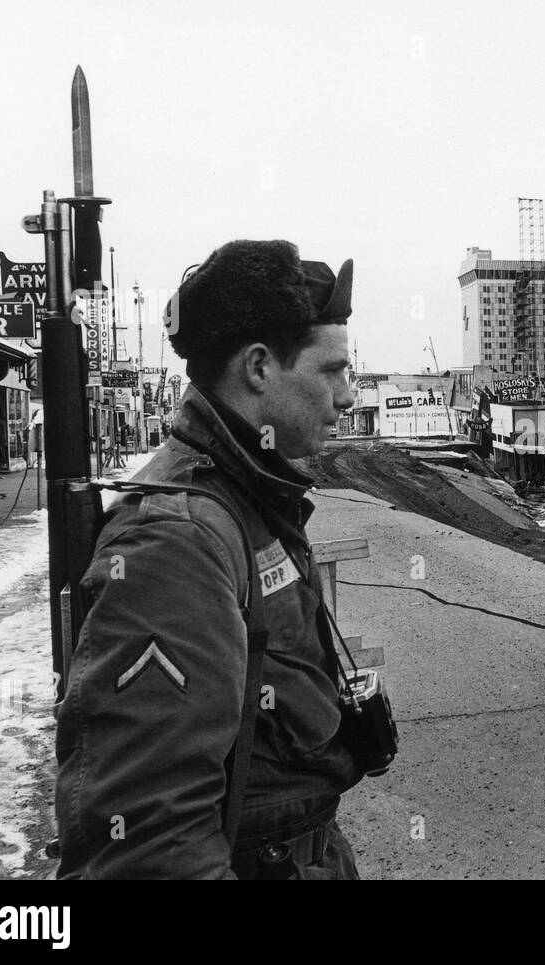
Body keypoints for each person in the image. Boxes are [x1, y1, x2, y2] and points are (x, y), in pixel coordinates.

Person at [55, 239, 361, 878]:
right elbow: (149, 842)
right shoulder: (178, 540)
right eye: (333, 371)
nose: (349, 396)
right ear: (259, 367)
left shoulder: (244, 494)